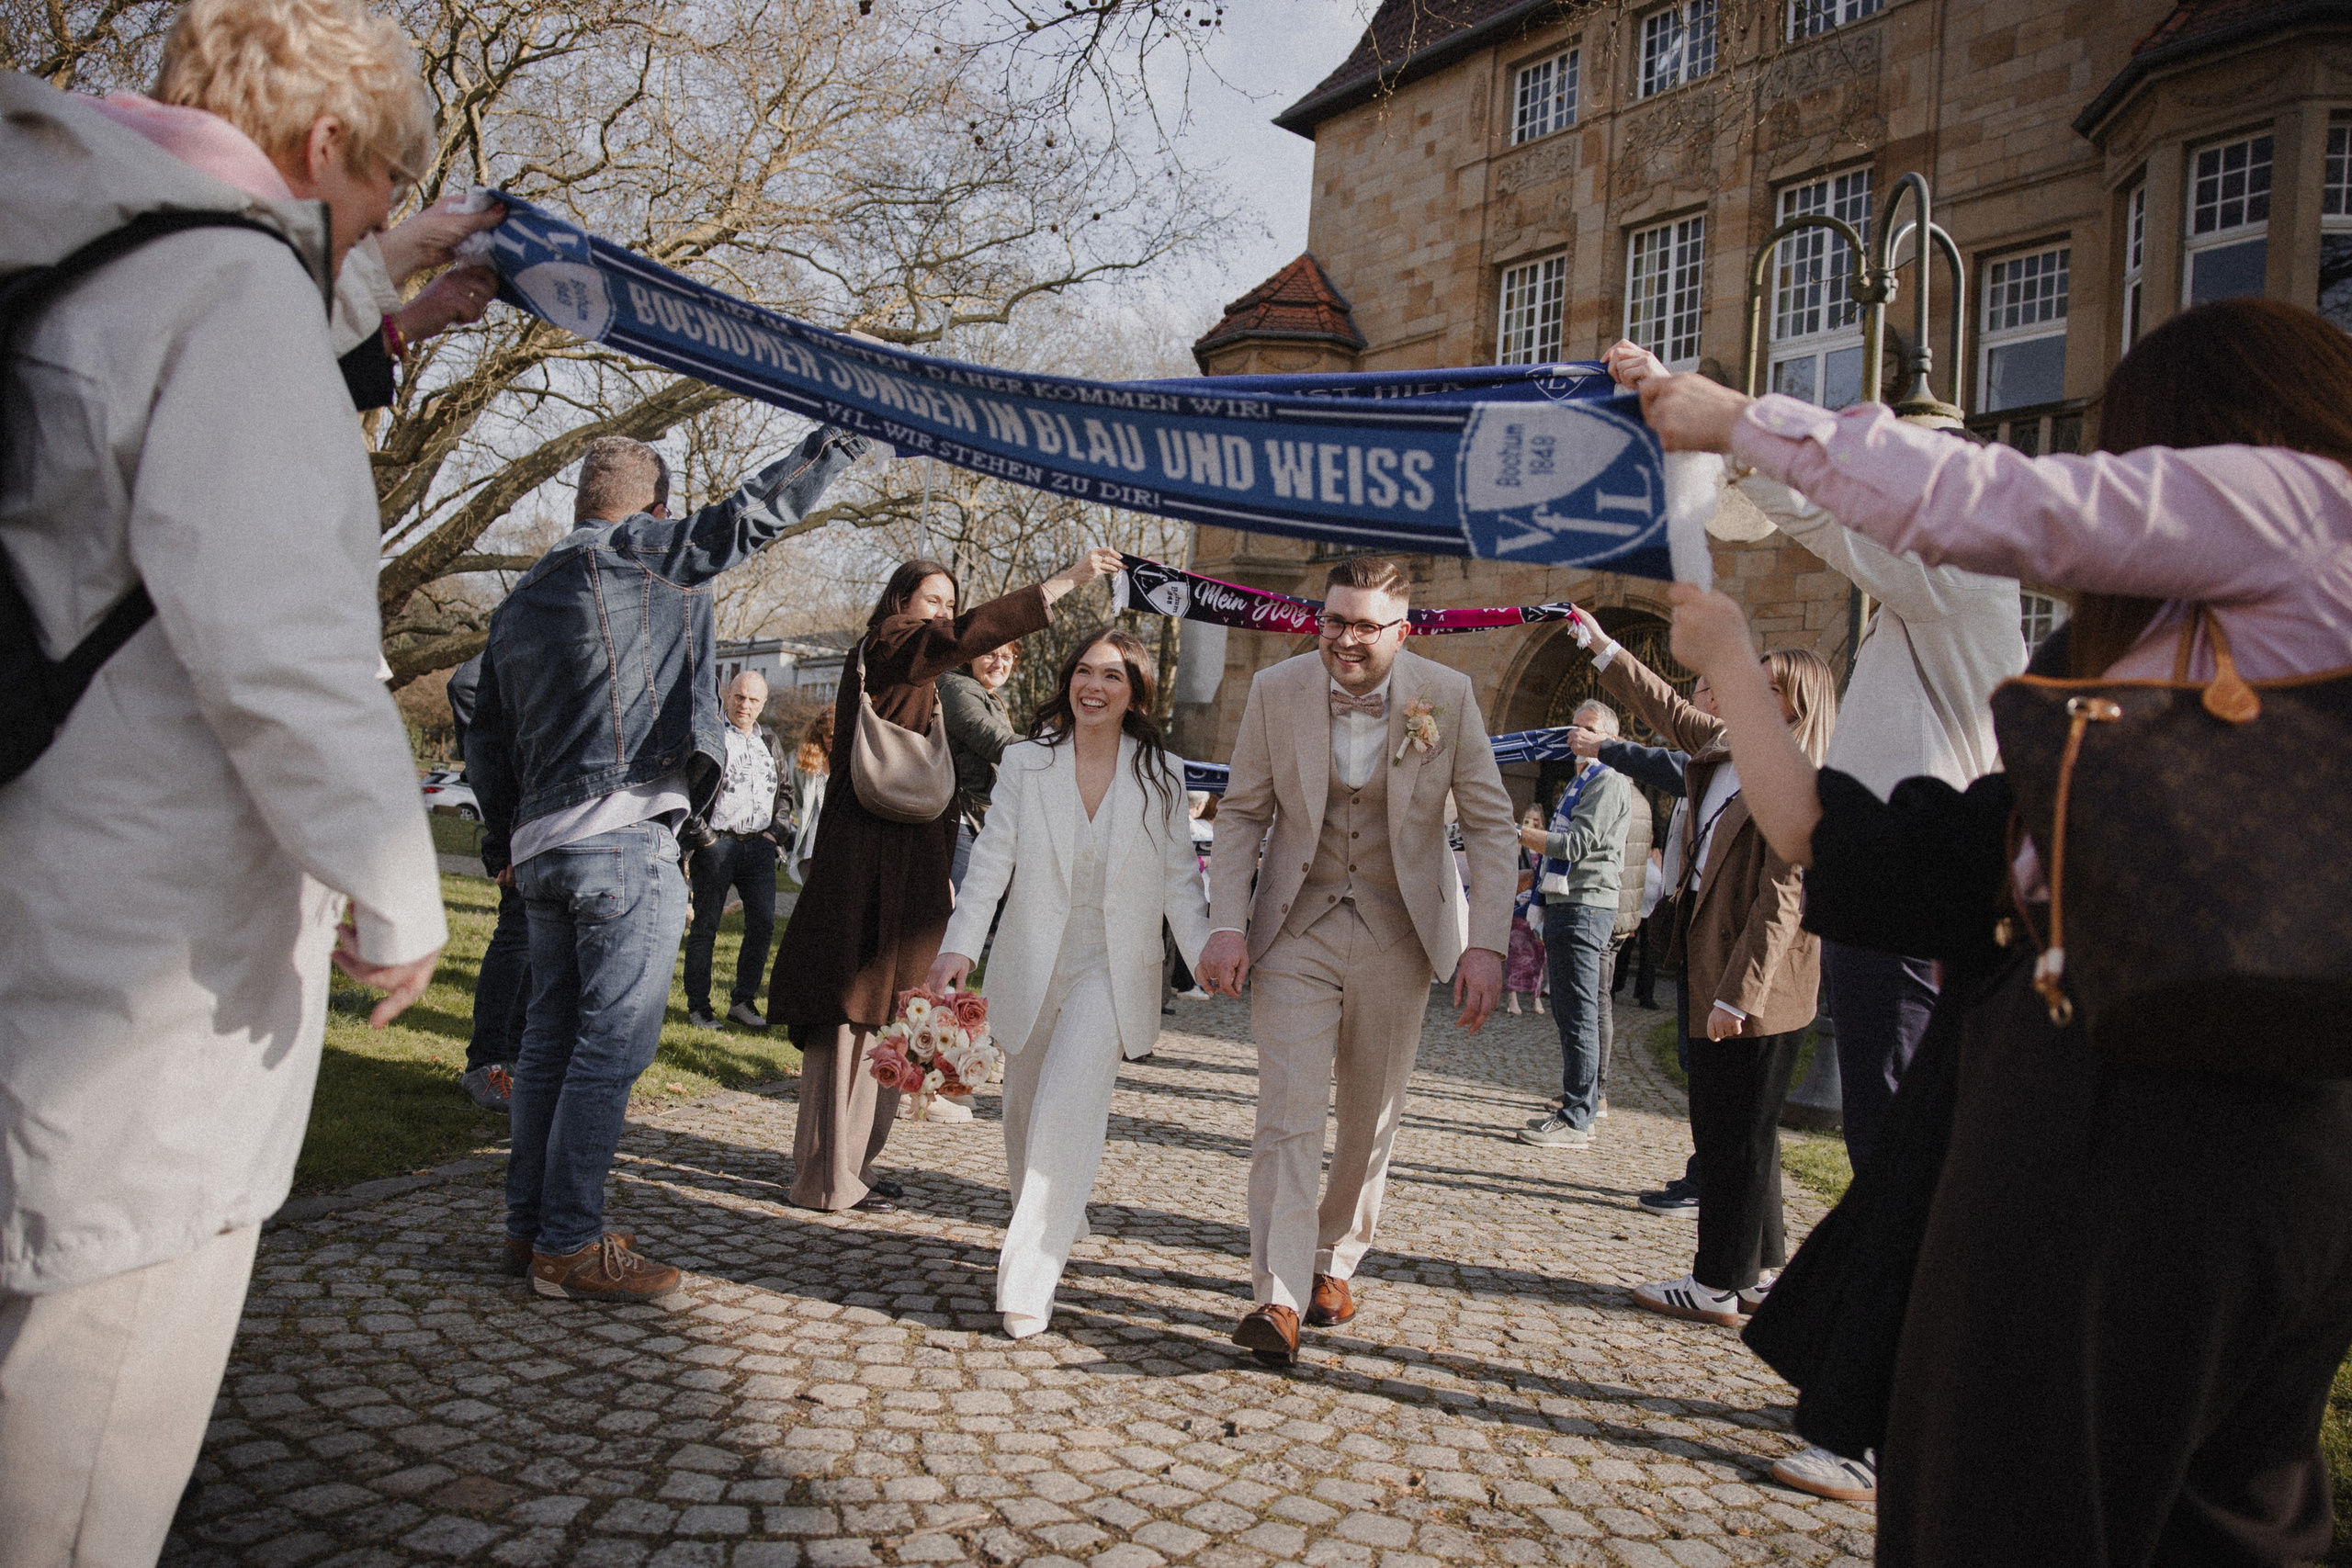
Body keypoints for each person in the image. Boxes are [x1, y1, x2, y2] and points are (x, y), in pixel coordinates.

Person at [1643, 298, 2352, 1567]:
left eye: (2146, 458)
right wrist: (1736, 663)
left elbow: (2006, 503)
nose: (2141, 493)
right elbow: (1844, 841)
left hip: (2111, 1133)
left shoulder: (2308, 509)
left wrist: (1736, 418)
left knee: (2010, 1508)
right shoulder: (2123, 726)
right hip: (2244, 1142)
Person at [0, 2, 447, 1556]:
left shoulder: (74, 233)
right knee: (83, 1455)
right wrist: (397, 884)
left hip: (37, 887)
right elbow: (280, 643)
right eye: (377, 197)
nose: (370, 231)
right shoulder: (240, 295)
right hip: (148, 970)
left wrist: (382, 276)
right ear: (325, 147)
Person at [1609, 340, 2025, 1194]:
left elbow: (1831, 526)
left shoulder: (1963, 570)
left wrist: (1726, 428)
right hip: (1882, 878)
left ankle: (1904, 1303)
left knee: (1896, 1121)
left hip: (1914, 884)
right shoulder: (1922, 594)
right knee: (1890, 1121)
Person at [470, 428, 866, 1302]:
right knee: (609, 1048)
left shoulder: (520, 596)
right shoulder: (642, 553)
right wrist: (845, 436)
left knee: (546, 1046)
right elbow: (752, 516)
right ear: (656, 506)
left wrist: (502, 842)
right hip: (622, 836)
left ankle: (527, 1228)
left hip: (542, 852)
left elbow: (482, 723)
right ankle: (570, 1244)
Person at [1193, 556, 1518, 1363]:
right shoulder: (1278, 691)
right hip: (1295, 929)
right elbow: (1240, 816)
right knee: (1288, 1112)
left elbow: (1491, 824)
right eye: (1334, 620)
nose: (1344, 639)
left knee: (1370, 1115)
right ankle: (1276, 1296)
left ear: (1400, 631)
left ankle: (1334, 1256)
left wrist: (1486, 943)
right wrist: (1226, 923)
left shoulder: (1447, 695)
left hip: (1399, 931)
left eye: (1365, 625)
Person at [769, 548, 1123, 1213]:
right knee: (848, 1017)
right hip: (864, 874)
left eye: (950, 603)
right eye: (932, 600)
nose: (944, 613)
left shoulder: (920, 669)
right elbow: (964, 640)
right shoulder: (891, 645)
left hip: (902, 871)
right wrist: (1069, 580)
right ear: (900, 603)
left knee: (891, 1019)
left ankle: (855, 1167)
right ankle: (825, 1175)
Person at [928, 628, 1210, 1339]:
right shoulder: (1027, 762)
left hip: (1112, 970)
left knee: (1067, 1105)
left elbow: (1181, 877)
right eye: (1084, 671)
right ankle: (1053, 1211)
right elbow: (991, 860)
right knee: (1023, 1118)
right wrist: (959, 947)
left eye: (1112, 675)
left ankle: (1028, 1278)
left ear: (1135, 691)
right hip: (1031, 959)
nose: (1094, 685)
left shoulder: (1163, 772)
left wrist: (1207, 953)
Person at [1575, 610, 1835, 1329]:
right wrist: (1603, 649)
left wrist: (1738, 996)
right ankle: (1759, 1274)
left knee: (1731, 1135)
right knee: (1746, 1132)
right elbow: (1671, 708)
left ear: (1797, 704)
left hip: (1756, 986)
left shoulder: (1797, 777)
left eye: (1767, 687)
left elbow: (1782, 902)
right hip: (1716, 967)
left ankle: (1715, 1280)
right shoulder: (1733, 744)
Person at [1515, 701, 1633, 1149]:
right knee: (1570, 1011)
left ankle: (1578, 1116)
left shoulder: (1606, 781)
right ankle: (1577, 1103)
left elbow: (1578, 844)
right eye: (1575, 727)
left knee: (1580, 1012)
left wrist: (1520, 834)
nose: (1577, 735)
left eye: (1590, 728)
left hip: (1586, 907)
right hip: (1569, 904)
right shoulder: (1582, 780)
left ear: (1611, 738)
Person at [684, 670, 786, 1031]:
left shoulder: (770, 743)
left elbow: (785, 795)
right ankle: (699, 1008)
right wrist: (705, 838)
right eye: (739, 697)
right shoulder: (713, 737)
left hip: (758, 846)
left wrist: (776, 834)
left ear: (763, 703)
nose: (745, 705)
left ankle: (742, 1002)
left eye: (753, 700)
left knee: (761, 925)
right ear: (728, 696)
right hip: (717, 844)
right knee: (706, 928)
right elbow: (689, 793)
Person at [448, 652, 525, 1111]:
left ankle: (518, 1062)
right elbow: (466, 684)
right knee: (520, 938)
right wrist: (504, 815)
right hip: (527, 819)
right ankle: (488, 1064)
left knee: (549, 950)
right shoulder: (537, 611)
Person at [940, 640, 1020, 890]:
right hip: (961, 821)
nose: (999, 664)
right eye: (990, 654)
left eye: (1007, 657)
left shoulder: (979, 691)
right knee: (956, 918)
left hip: (978, 818)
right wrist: (1055, 750)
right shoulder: (957, 690)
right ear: (969, 656)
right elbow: (992, 740)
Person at [780, 709, 831, 885]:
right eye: (829, 736)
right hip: (813, 840)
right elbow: (799, 800)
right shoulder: (808, 767)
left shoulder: (851, 762)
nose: (834, 741)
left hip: (840, 840)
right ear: (820, 736)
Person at [1505, 806, 1547, 1017]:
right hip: (1518, 905)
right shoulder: (1517, 845)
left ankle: (1535, 995)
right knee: (1516, 951)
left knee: (1538, 953)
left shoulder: (1546, 847)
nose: (1532, 825)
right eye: (1527, 821)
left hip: (1538, 902)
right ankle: (1512, 996)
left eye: (1536, 821)